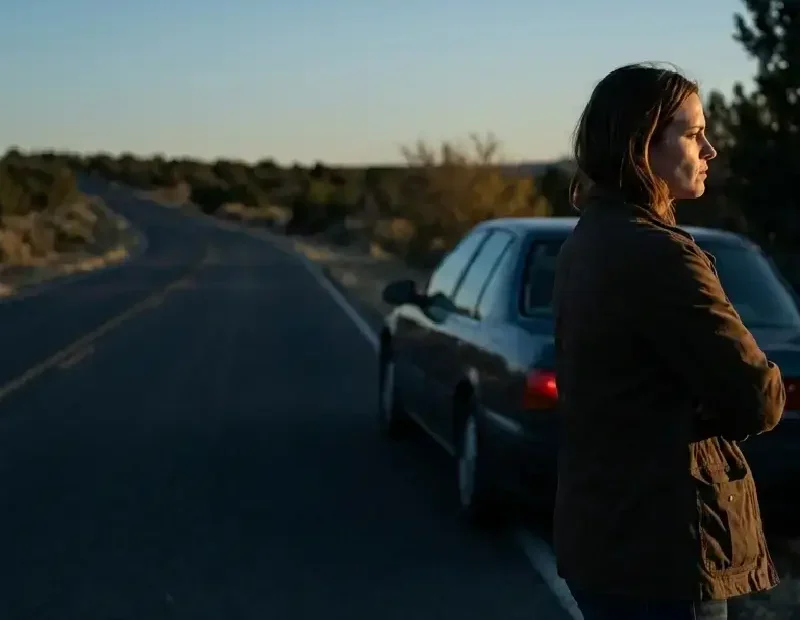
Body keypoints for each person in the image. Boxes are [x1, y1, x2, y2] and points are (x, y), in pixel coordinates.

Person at [551, 62, 786, 620]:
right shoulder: (660, 254)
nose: (710, 149)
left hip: (604, 539)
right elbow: (758, 397)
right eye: (693, 131)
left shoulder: (589, 239)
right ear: (641, 144)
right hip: (665, 548)